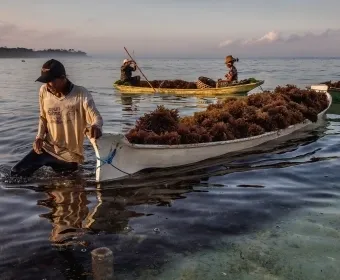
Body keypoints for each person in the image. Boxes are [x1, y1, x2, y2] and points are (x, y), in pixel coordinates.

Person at [11, 59, 103, 177]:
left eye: (51, 81)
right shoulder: (44, 90)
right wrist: (39, 137)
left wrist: (96, 126)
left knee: (64, 188)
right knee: (16, 173)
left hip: (70, 157)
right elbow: (43, 117)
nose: (48, 85)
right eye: (45, 81)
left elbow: (96, 117)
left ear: (63, 77)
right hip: (47, 148)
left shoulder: (81, 94)